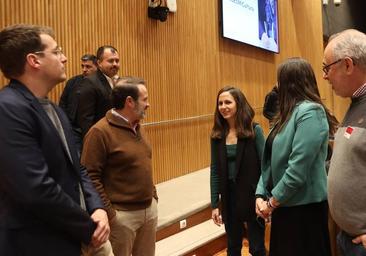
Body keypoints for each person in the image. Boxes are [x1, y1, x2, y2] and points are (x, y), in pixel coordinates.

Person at [0, 24, 109, 256]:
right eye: (57, 51)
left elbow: (77, 167)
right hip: (38, 242)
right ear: (34, 60)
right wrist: (87, 228)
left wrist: (97, 207)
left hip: (73, 235)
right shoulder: (8, 108)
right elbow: (35, 188)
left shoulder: (55, 109)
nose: (65, 57)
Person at [255, 57, 337, 256]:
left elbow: (297, 169)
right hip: (284, 206)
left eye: (279, 80)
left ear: (290, 82)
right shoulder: (285, 114)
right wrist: (259, 195)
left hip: (304, 212)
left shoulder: (311, 112)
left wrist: (271, 203)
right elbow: (269, 162)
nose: (276, 86)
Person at [81, 77, 158, 256]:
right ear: (129, 102)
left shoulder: (138, 126)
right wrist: (110, 214)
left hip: (148, 210)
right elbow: (90, 176)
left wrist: (153, 196)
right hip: (122, 218)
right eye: (144, 99)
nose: (148, 104)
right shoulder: (99, 132)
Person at [323, 29, 366, 256]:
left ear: (348, 65)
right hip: (347, 237)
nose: (325, 76)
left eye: (327, 67)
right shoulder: (356, 102)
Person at [210, 86, 266, 256]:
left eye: (228, 102)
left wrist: (262, 195)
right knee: (233, 247)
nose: (223, 106)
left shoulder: (254, 130)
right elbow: (215, 171)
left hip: (252, 195)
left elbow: (266, 165)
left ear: (238, 104)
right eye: (220, 103)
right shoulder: (217, 135)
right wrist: (214, 204)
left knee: (256, 247)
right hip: (229, 196)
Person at [76, 45, 120, 139]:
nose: (115, 64)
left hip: (117, 137)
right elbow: (86, 120)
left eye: (117, 60)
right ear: (99, 63)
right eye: (111, 61)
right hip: (101, 139)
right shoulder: (90, 82)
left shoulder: (119, 81)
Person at [59, 54, 98, 151]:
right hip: (73, 129)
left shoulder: (101, 84)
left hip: (93, 129)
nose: (84, 69)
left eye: (88, 67)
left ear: (97, 67)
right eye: (83, 66)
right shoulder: (72, 82)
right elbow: (63, 104)